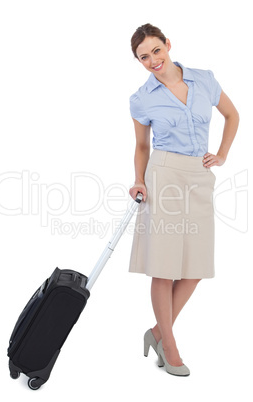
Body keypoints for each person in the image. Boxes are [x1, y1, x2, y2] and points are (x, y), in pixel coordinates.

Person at [128, 23, 239, 376]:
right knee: (164, 267)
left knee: (195, 268)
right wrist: (138, 181)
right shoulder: (141, 98)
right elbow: (142, 146)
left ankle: (158, 332)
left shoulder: (204, 79)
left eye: (156, 51)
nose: (152, 60)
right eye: (143, 57)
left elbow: (232, 115)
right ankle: (170, 346)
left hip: (199, 176)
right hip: (163, 177)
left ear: (167, 45)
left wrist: (221, 154)